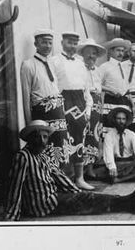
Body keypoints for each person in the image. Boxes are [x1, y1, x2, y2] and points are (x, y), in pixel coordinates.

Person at [4, 120, 135, 221]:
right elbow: (15, 186)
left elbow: (58, 176)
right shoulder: (23, 156)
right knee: (86, 200)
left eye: (45, 137)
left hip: (52, 196)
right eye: (37, 137)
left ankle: (128, 202)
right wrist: (11, 216)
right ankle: (129, 202)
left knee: (85, 198)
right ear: (29, 138)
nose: (42, 141)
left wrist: (76, 192)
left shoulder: (43, 155)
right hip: (43, 205)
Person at [51, 31, 94, 190]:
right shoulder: (54, 61)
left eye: (75, 43)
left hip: (80, 104)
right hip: (63, 102)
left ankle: (79, 178)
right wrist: (59, 108)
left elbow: (86, 88)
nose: (72, 46)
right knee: (62, 140)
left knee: (79, 140)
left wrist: (88, 109)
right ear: (62, 43)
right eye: (69, 42)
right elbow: (53, 86)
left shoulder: (80, 62)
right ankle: (62, 179)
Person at [20, 29, 70, 166]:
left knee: (60, 146)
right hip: (42, 114)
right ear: (36, 44)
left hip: (58, 113)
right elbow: (26, 97)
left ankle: (60, 180)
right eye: (43, 42)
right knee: (45, 148)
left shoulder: (53, 63)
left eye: (50, 42)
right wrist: (30, 124)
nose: (47, 46)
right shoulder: (28, 65)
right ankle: (46, 181)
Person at [76, 38, 107, 180]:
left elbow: (100, 89)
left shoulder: (98, 71)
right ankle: (80, 170)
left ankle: (90, 168)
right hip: (84, 104)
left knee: (95, 136)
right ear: (83, 54)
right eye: (88, 53)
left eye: (94, 53)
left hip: (97, 105)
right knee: (84, 135)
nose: (91, 56)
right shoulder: (79, 67)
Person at [103, 107, 135, 184]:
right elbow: (108, 153)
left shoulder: (131, 134)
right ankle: (123, 178)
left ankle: (119, 180)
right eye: (119, 119)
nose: (121, 121)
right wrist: (112, 167)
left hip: (129, 164)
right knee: (107, 171)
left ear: (126, 120)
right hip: (117, 164)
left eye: (123, 119)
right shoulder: (109, 135)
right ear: (114, 120)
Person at [98, 38, 134, 133]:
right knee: (109, 131)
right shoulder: (104, 67)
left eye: (122, 51)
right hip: (110, 102)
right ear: (111, 51)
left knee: (122, 132)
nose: (121, 53)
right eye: (118, 50)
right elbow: (97, 84)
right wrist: (110, 90)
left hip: (124, 103)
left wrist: (133, 105)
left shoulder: (124, 67)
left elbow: (127, 89)